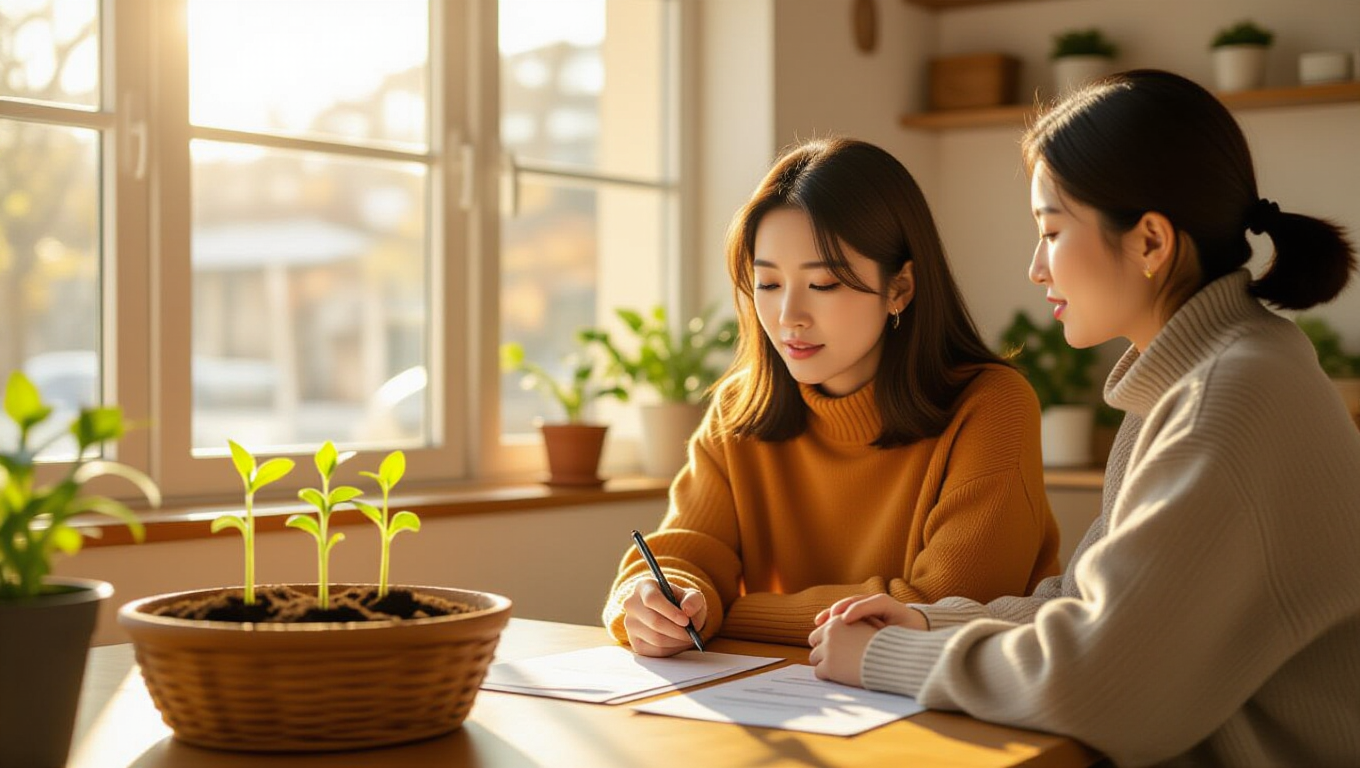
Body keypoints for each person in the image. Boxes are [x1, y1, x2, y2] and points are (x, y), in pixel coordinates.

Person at [808, 70, 1360, 766]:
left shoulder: (1226, 398)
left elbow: (1102, 686)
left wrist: (891, 659)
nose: (1037, 269)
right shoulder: (1200, 377)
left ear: (1152, 243)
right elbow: (1085, 605)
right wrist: (927, 622)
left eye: (1052, 231)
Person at [602, 137, 1061, 655]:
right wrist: (653, 602)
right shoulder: (738, 410)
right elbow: (685, 557)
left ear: (900, 289)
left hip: (951, 710)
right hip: (788, 704)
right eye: (768, 284)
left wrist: (728, 612)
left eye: (822, 284)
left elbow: (938, 609)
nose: (788, 316)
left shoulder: (992, 405)